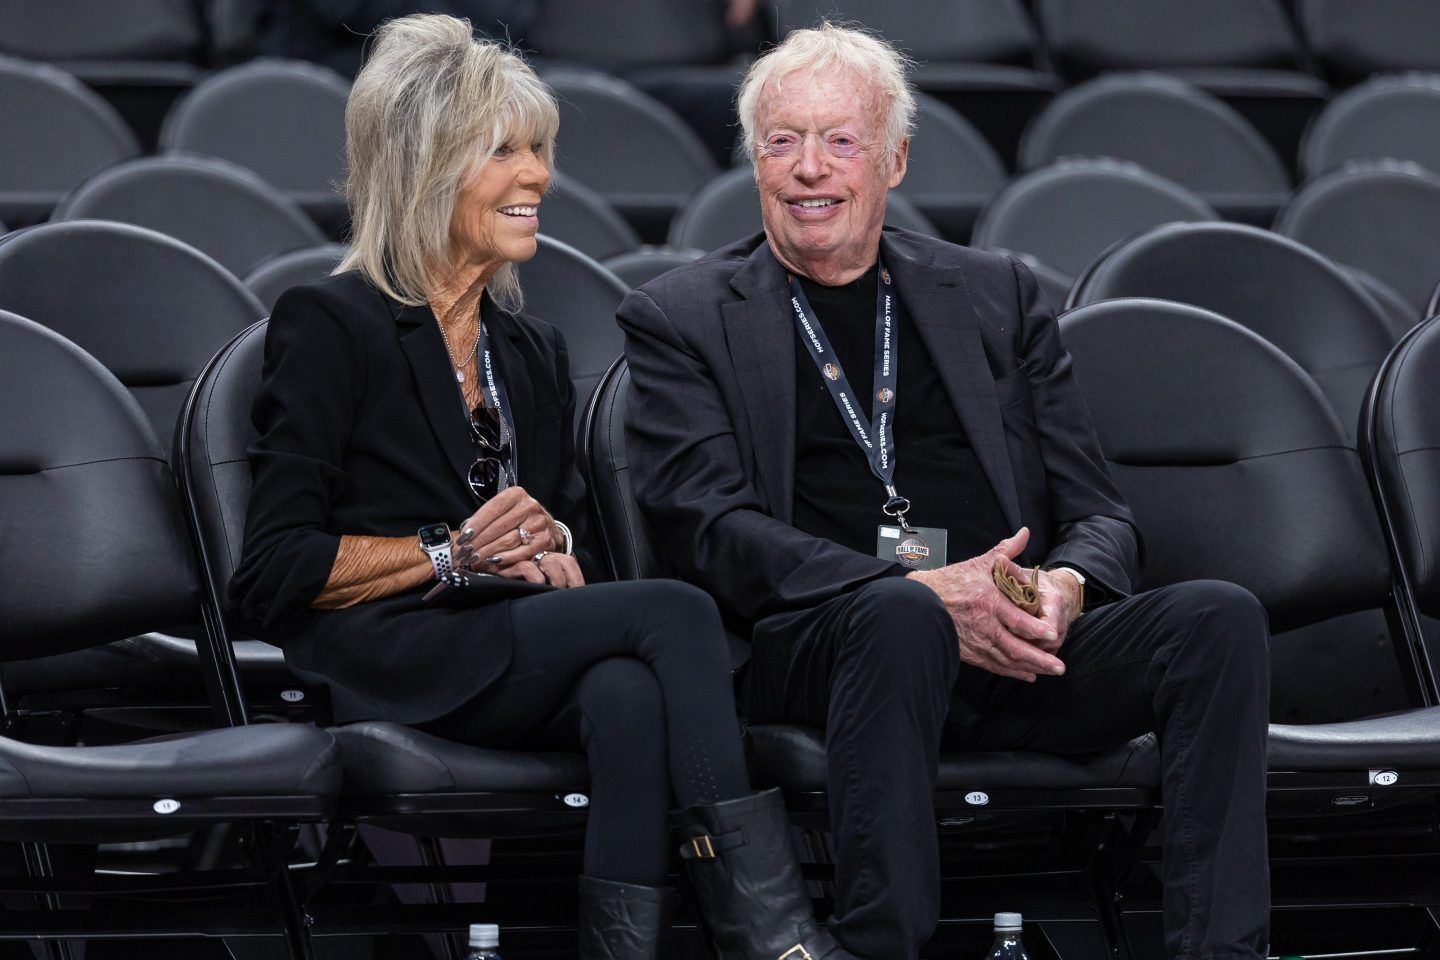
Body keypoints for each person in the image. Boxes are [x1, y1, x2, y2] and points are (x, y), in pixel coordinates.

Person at [619, 22, 1272, 960]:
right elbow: (708, 528)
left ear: (894, 160)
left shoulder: (996, 293)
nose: (810, 169)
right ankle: (881, 946)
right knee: (902, 618)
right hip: (821, 645)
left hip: (1013, 641)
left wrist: (1066, 589)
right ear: (754, 159)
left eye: (840, 142)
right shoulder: (681, 316)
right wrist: (920, 592)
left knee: (1216, 619)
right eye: (782, 141)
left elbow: (1097, 512)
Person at [230, 16, 852, 960]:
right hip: (387, 654)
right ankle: (772, 937)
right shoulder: (331, 323)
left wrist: (556, 552)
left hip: (500, 640)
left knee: (625, 695)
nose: (539, 178)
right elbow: (273, 572)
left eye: (540, 151)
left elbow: (567, 541)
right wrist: (453, 550)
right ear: (425, 168)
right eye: (506, 153)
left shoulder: (531, 350)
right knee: (677, 616)